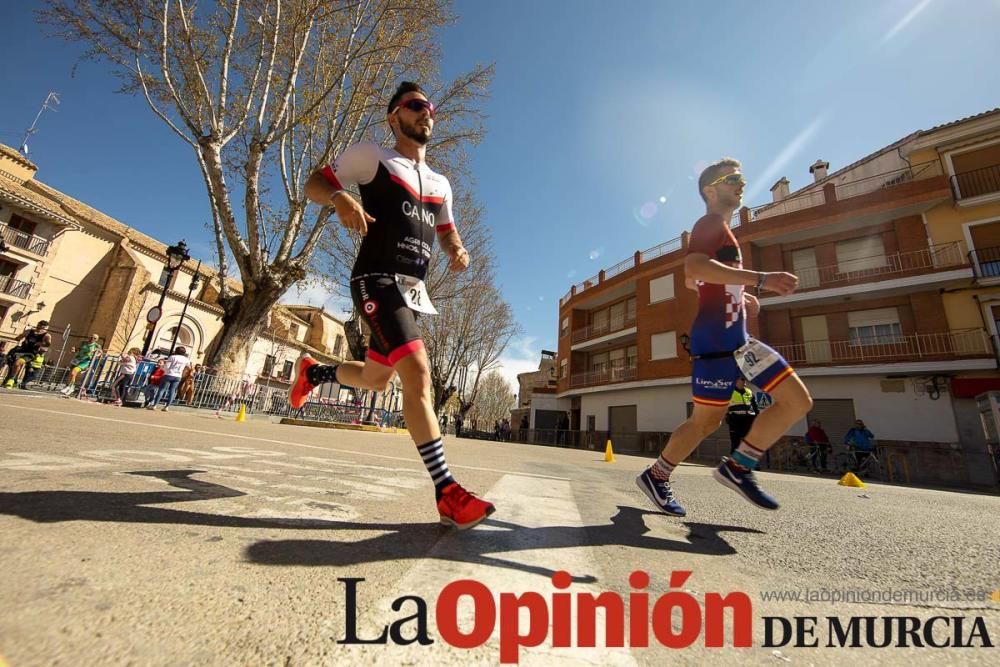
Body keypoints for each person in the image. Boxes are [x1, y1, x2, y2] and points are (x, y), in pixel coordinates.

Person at [290, 82, 495, 530]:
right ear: (394, 116)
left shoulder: (442, 183)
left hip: (412, 293)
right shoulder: (372, 156)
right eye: (417, 106)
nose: (427, 114)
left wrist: (457, 249)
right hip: (374, 279)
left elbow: (446, 230)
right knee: (417, 372)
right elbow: (315, 183)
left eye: (431, 108)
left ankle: (314, 372)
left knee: (376, 379)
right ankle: (447, 492)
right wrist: (341, 196)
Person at [636, 158, 813, 517]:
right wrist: (759, 279)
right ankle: (706, 470)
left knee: (784, 404)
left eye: (742, 178)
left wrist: (737, 291)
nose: (741, 183)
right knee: (711, 420)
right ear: (710, 189)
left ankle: (716, 469)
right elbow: (693, 268)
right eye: (732, 178)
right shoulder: (710, 223)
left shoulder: (724, 233)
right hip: (719, 340)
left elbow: (694, 280)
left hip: (734, 338)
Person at [3, 320, 52, 388]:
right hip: (22, 350)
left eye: (42, 328)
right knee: (13, 365)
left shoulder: (46, 335)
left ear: (45, 328)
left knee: (18, 363)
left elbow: (48, 344)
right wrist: (19, 337)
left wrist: (42, 343)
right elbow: (19, 338)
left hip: (31, 353)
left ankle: (11, 381)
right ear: (37, 325)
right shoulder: (29, 331)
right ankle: (14, 380)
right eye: (39, 327)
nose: (39, 329)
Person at [147, 346, 190, 411]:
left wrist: (163, 369)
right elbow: (188, 367)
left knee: (162, 389)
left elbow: (167, 366)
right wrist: (182, 373)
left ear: (176, 351)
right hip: (178, 375)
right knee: (172, 391)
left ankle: (154, 405)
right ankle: (167, 406)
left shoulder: (172, 357)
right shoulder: (186, 359)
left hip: (169, 374)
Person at [726, 377, 759, 454]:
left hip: (748, 421)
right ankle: (733, 463)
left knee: (749, 443)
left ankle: (750, 464)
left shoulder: (749, 391)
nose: (745, 381)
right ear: (736, 380)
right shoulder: (729, 392)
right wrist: (728, 417)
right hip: (735, 421)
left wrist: (757, 417)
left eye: (745, 379)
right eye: (742, 379)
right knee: (735, 443)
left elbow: (755, 406)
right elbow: (723, 407)